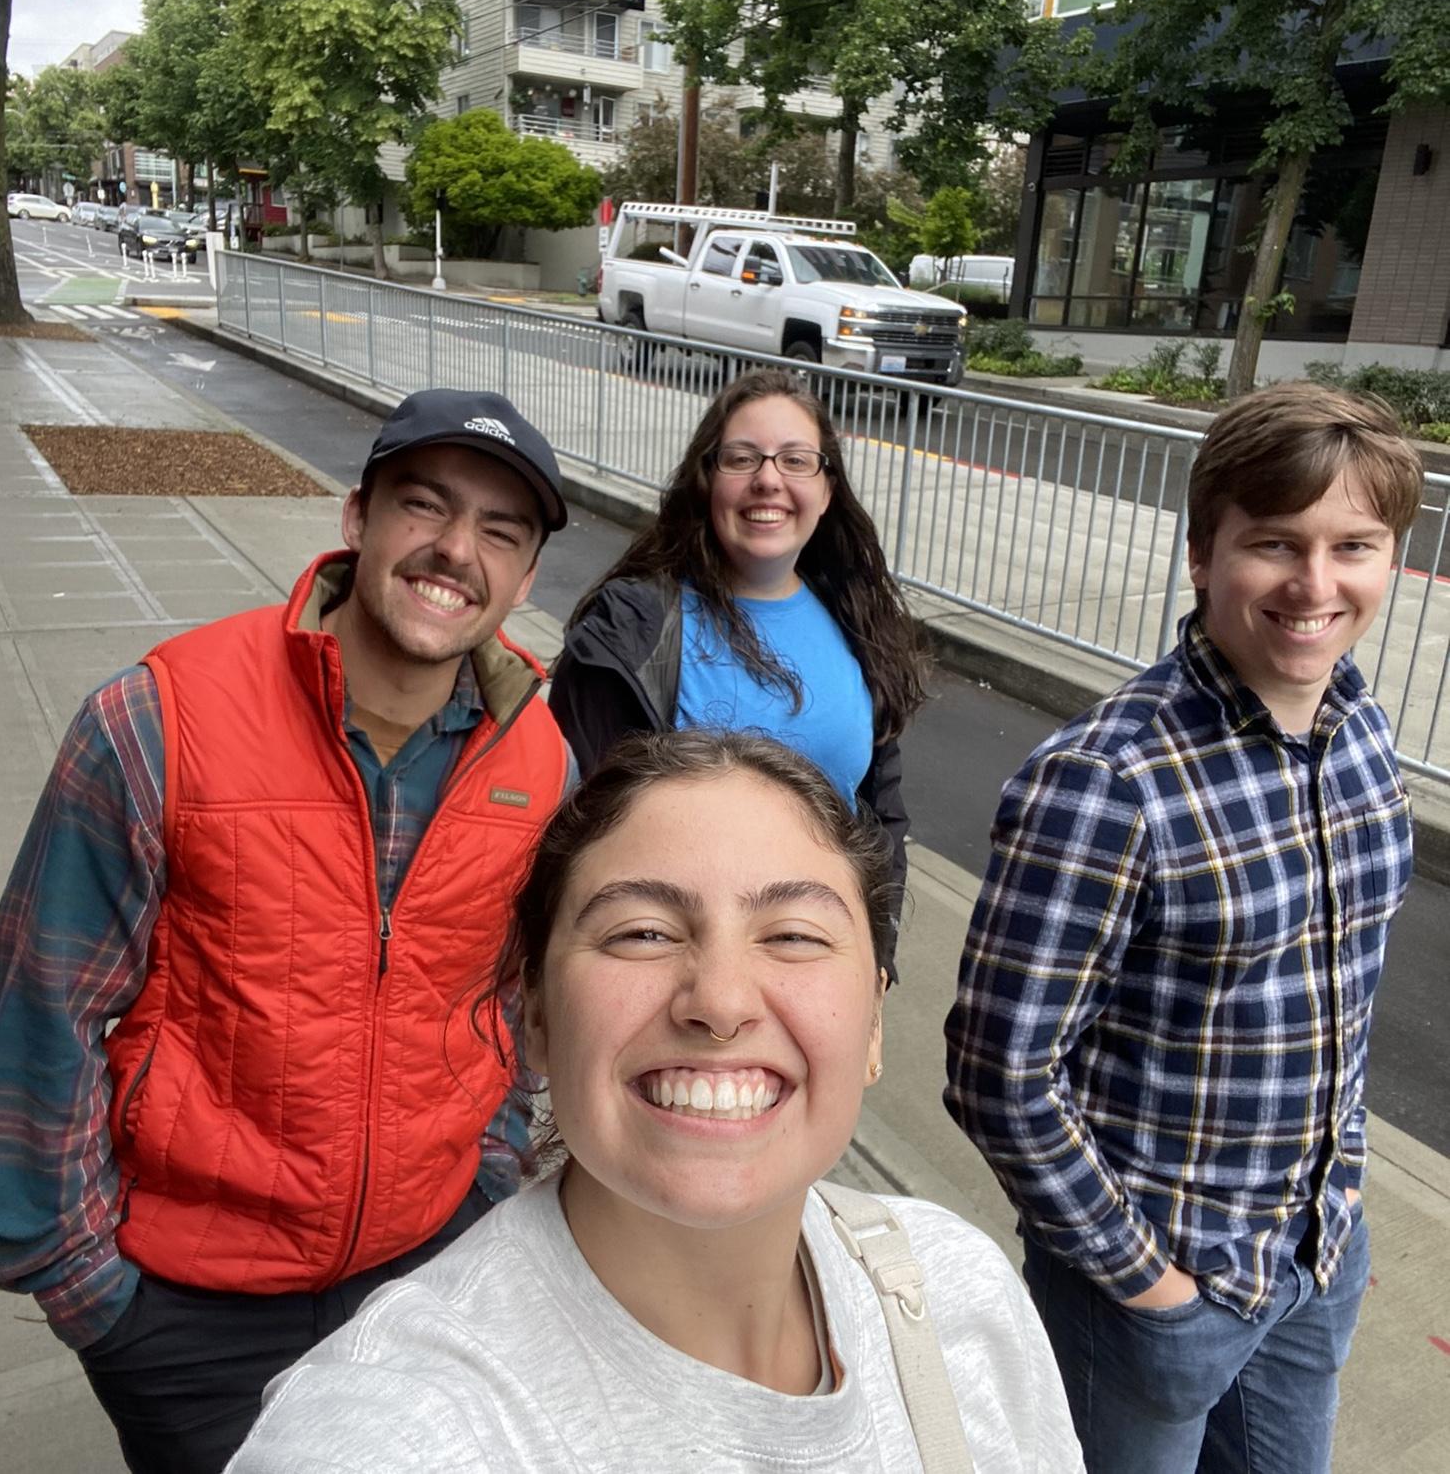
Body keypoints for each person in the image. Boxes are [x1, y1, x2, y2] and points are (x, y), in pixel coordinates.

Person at [0, 389, 574, 1474]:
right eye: (425, 506)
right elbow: (45, 1008)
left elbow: (511, 996)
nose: (454, 550)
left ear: (526, 579)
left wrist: (488, 1177)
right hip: (188, 1318)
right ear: (358, 519)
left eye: (500, 531)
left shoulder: (538, 761)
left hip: (426, 1272)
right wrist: (82, 1283)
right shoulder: (158, 719)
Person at [228, 731, 1083, 1473]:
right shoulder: (397, 1424)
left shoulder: (962, 1294)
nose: (718, 999)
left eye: (792, 935)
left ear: (872, 1027)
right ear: (535, 1016)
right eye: (642, 933)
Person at [944, 382, 1424, 1474]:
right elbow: (999, 1074)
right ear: (1203, 553)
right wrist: (1149, 1284)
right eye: (1275, 544)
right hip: (1153, 1293)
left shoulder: (1361, 732)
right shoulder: (1108, 782)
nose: (1317, 584)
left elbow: (1339, 991)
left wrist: (1336, 1194)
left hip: (1311, 1259)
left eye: (1354, 545)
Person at [548, 368, 925, 965]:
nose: (768, 480)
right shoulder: (632, 634)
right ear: (706, 482)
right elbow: (580, 836)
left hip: (821, 965)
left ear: (827, 491)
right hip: (677, 970)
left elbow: (880, 810)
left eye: (796, 461)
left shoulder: (859, 622)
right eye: (742, 459)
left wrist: (875, 954)